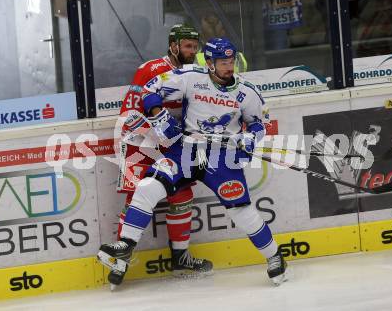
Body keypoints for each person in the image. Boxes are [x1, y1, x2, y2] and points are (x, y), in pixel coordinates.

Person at [99, 37, 287, 286]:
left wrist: (249, 138)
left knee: (241, 213)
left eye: (231, 61)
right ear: (209, 62)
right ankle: (126, 244)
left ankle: (275, 257)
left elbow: (258, 124)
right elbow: (149, 90)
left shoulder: (247, 92)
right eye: (222, 62)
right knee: (146, 188)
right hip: (184, 152)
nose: (229, 67)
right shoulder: (190, 77)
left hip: (221, 157)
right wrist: (159, 117)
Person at [110, 24, 213, 287]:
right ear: (173, 45)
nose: (192, 51)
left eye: (195, 46)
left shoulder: (196, 73)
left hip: (171, 145)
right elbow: (130, 113)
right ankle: (119, 261)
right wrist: (158, 131)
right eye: (187, 46)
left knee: (182, 194)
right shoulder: (151, 70)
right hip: (139, 142)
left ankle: (180, 258)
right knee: (138, 196)